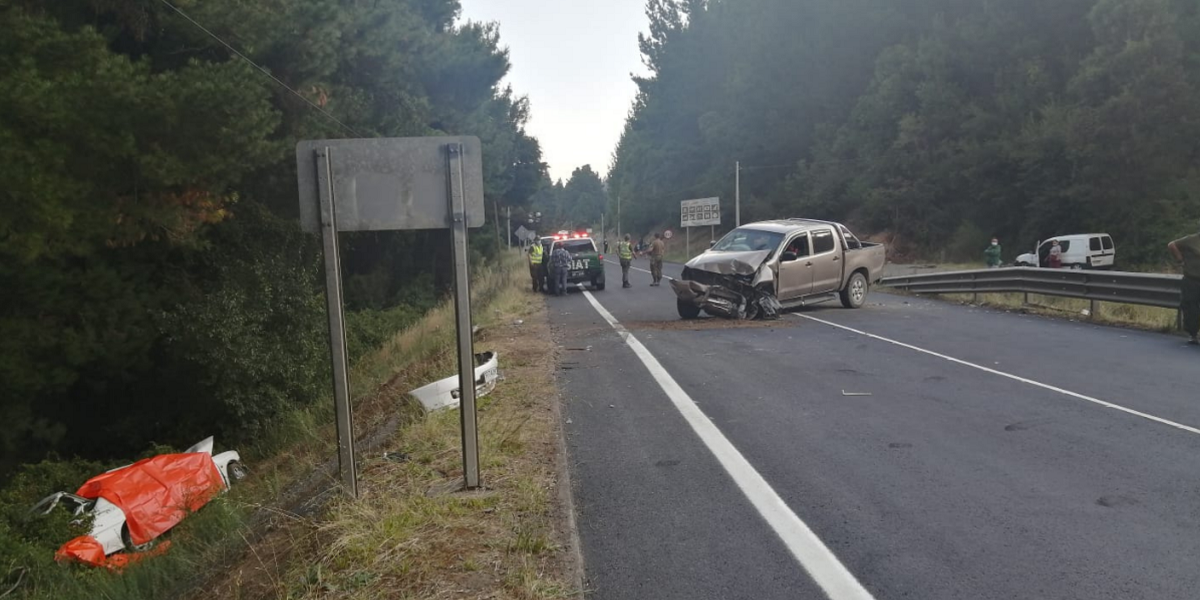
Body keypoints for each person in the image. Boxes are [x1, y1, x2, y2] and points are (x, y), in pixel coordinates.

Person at [1168, 227, 1200, 345]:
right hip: (1192, 279)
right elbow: (1172, 245)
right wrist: (1179, 259)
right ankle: (1193, 334)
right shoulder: (1191, 240)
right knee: (1191, 307)